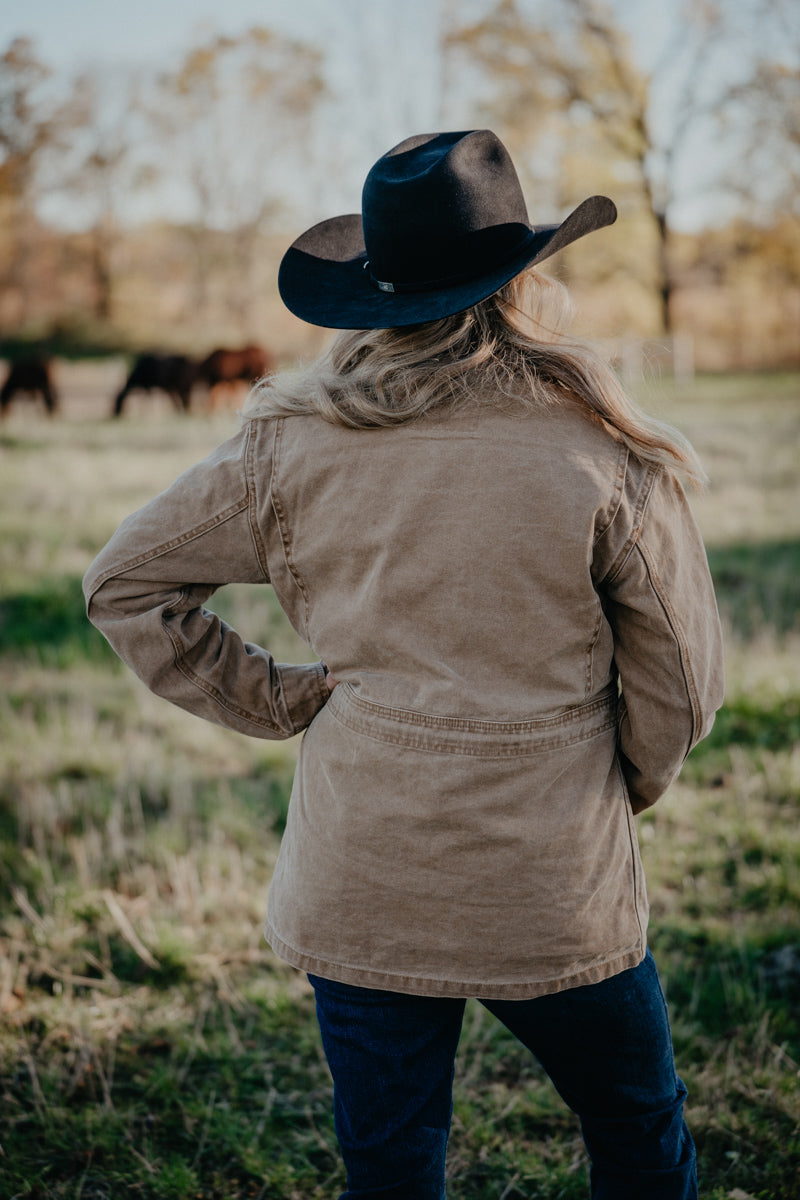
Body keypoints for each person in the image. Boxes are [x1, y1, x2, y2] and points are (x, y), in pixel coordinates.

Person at [83, 130, 725, 1199]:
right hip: (552, 882)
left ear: (374, 295)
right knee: (636, 1132)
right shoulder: (600, 450)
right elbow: (681, 687)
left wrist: (280, 700)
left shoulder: (288, 441)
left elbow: (123, 585)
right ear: (519, 278)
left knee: (387, 1165)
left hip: (362, 876)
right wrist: (619, 785)